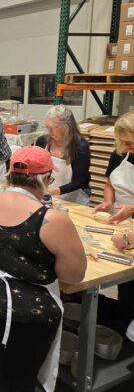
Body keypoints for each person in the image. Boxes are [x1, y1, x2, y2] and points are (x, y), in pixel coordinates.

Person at [0, 145, 86, 392]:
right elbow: (73, 275)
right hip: (21, 311)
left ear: (9, 173)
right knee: (17, 378)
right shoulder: (52, 219)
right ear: (46, 179)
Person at [93, 111, 134, 314]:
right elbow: (109, 183)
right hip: (121, 221)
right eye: (124, 142)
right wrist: (108, 202)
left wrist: (132, 209)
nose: (127, 147)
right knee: (122, 278)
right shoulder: (119, 154)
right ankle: (123, 318)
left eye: (131, 142)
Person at [35, 105, 90, 205]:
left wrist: (52, 192)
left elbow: (80, 181)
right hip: (45, 197)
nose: (49, 131)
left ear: (67, 127)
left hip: (73, 200)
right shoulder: (42, 141)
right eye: (47, 127)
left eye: (54, 128)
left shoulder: (80, 147)